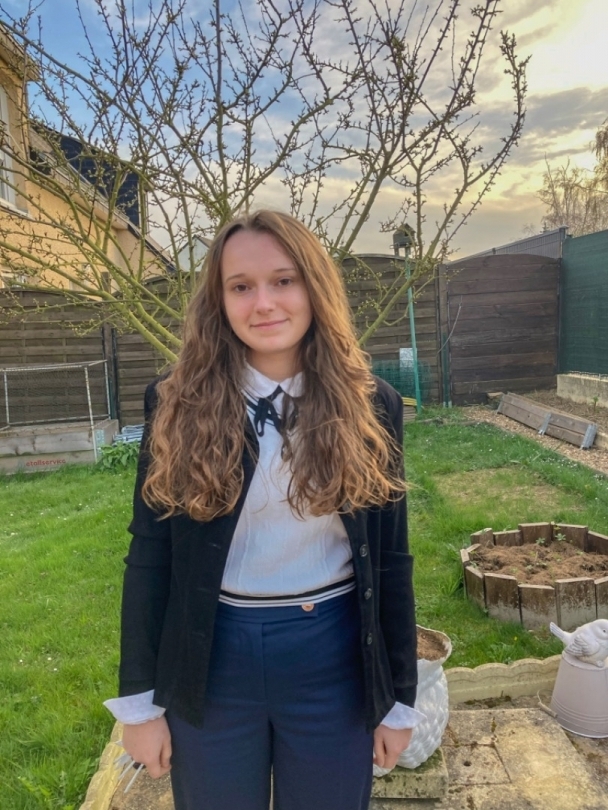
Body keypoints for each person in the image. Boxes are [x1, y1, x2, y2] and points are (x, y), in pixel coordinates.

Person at [104, 210, 422, 810]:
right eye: (241, 286)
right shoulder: (175, 404)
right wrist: (140, 705)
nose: (264, 303)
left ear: (314, 286)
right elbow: (149, 556)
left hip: (334, 660)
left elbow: (392, 558)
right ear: (219, 301)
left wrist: (398, 698)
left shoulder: (371, 405)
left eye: (283, 280)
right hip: (211, 659)